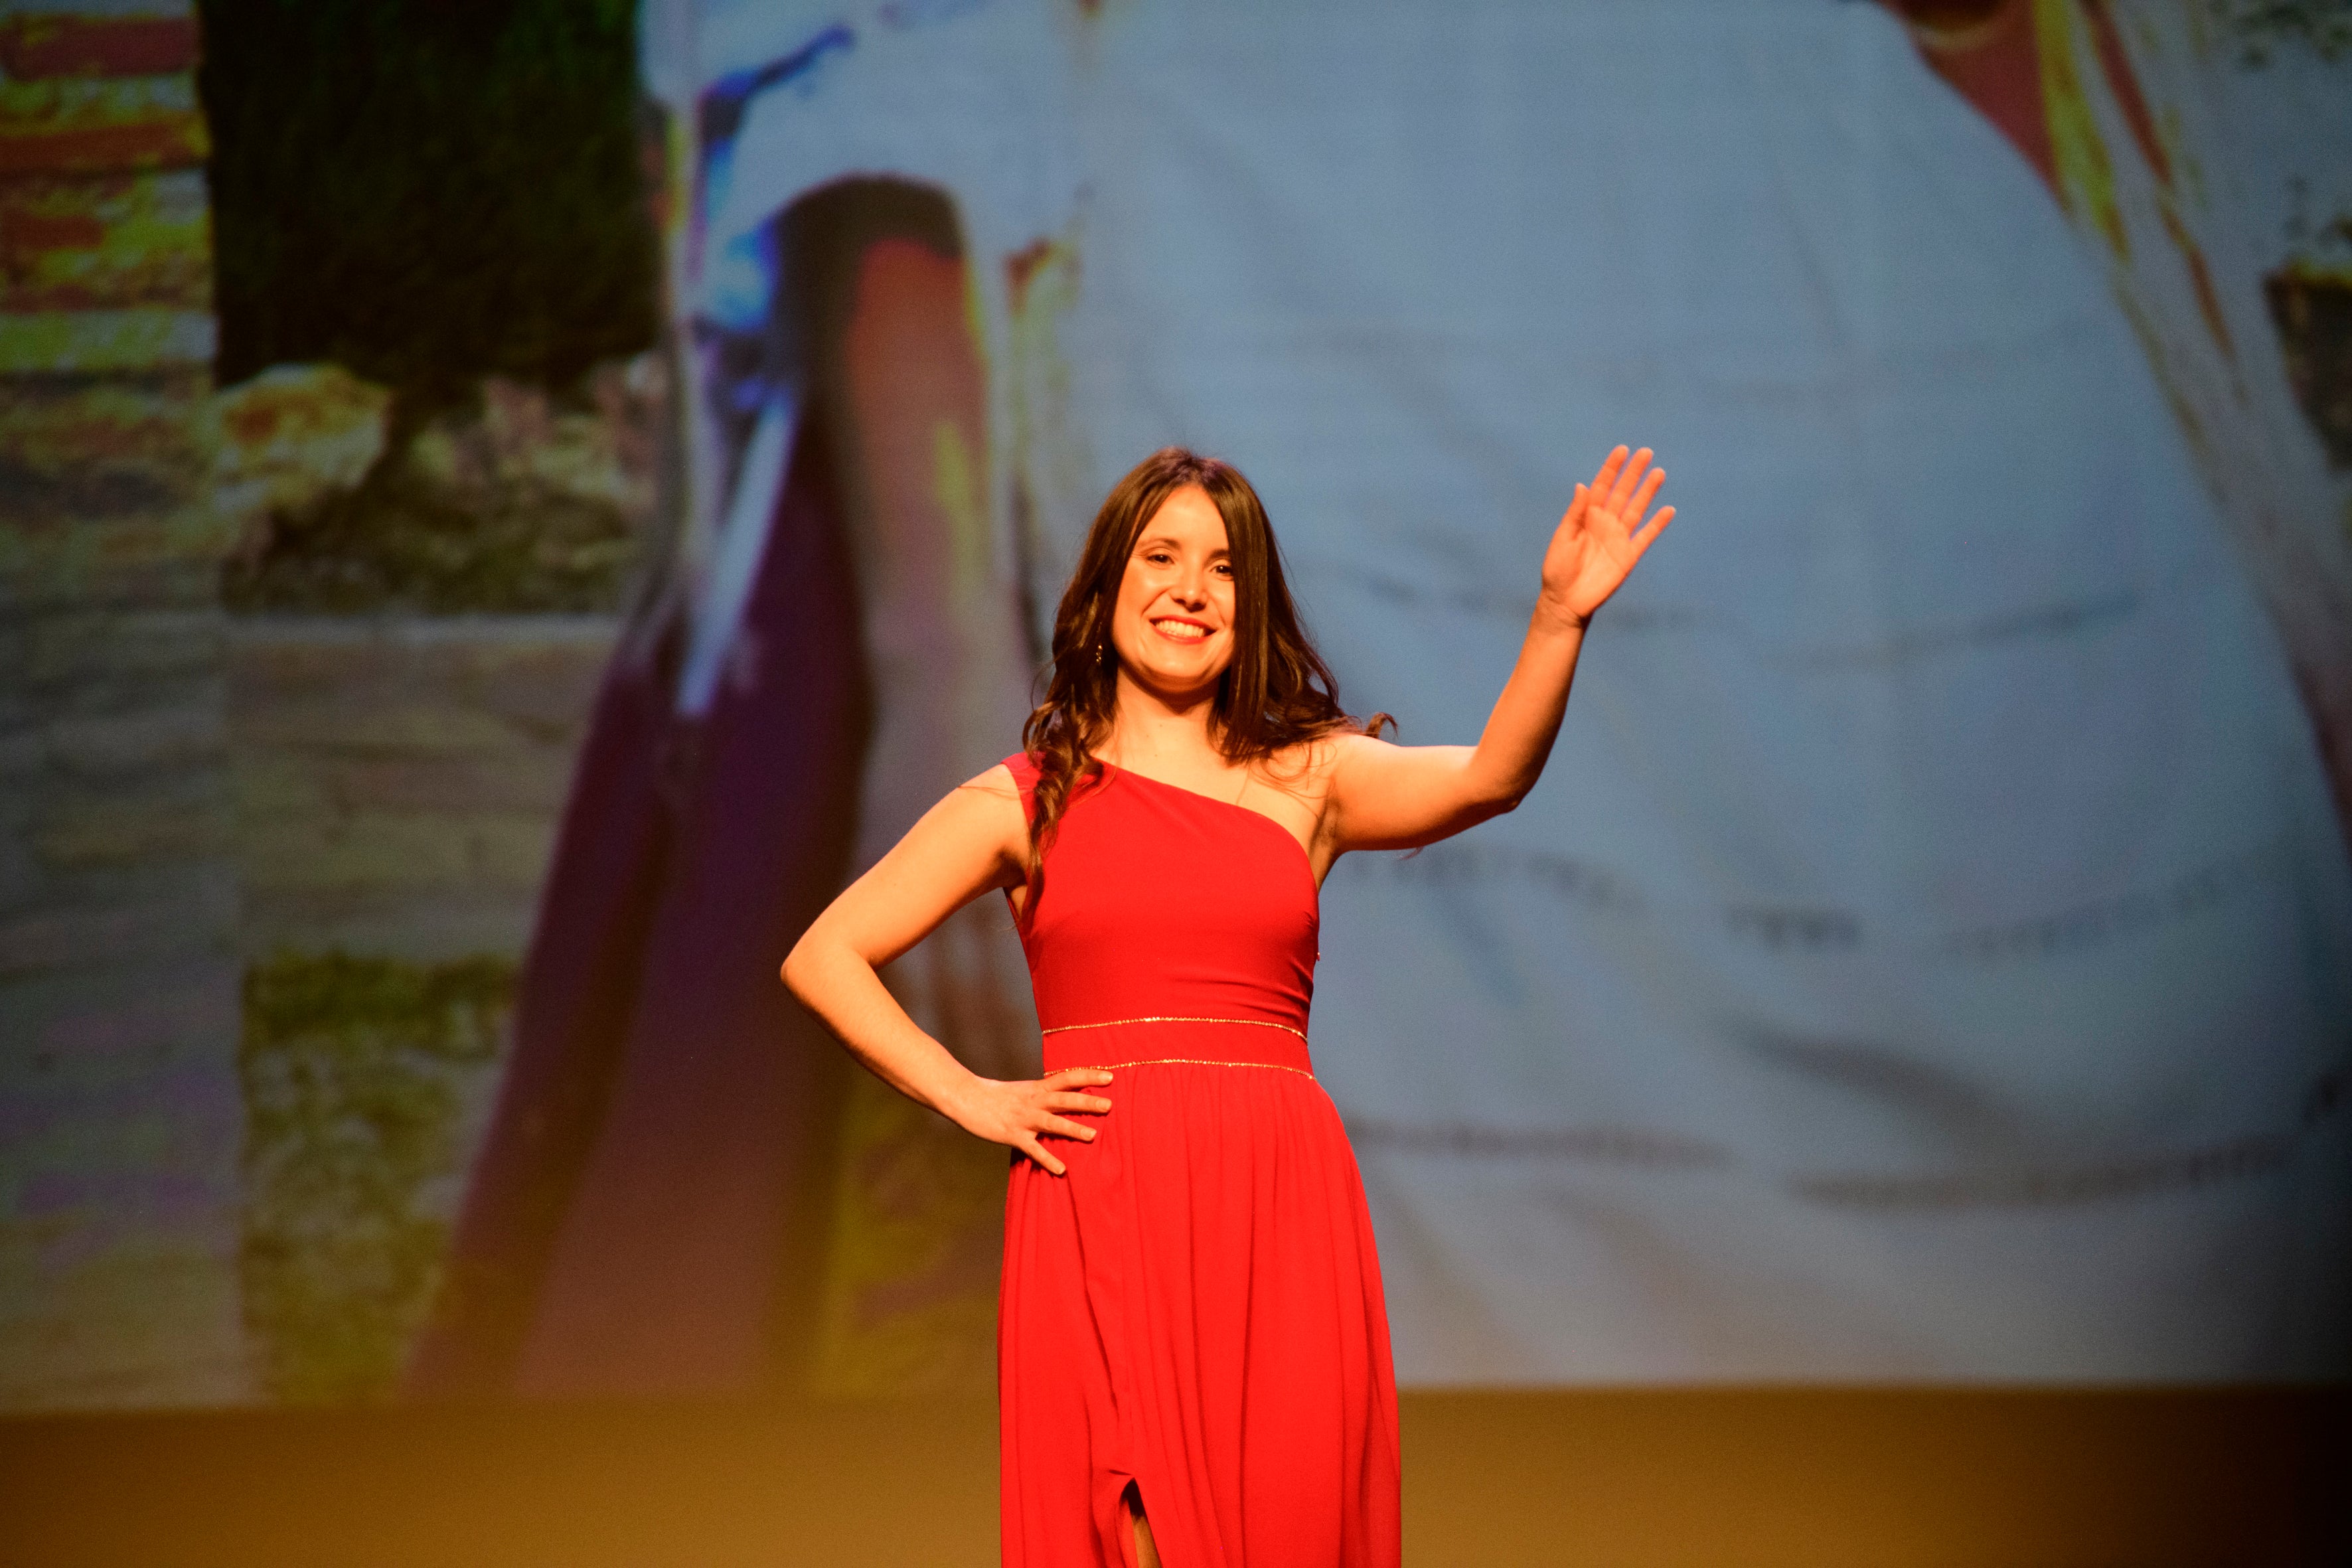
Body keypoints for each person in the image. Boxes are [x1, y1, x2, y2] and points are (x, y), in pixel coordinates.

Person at [783, 442, 1671, 1565]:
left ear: (1251, 606)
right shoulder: (1025, 800)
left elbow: (1491, 775)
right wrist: (971, 1096)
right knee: (1127, 1523)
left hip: (1276, 1202)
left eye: (1224, 567)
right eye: (1160, 556)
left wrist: (1557, 616)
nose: (1191, 588)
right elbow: (826, 954)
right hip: (1099, 1194)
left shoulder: (1309, 777)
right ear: (1105, 592)